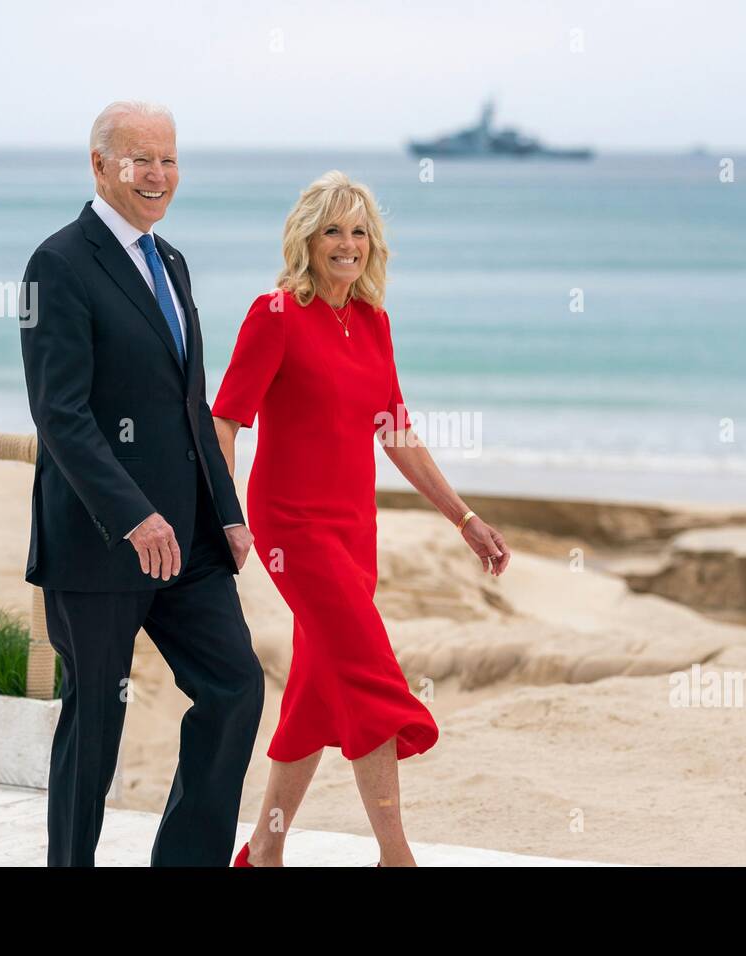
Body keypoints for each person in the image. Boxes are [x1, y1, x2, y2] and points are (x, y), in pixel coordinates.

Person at [211, 170, 511, 867]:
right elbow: (225, 420)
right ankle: (396, 857)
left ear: (372, 243)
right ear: (306, 240)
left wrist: (462, 517)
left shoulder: (374, 323)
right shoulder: (275, 314)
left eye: (358, 230)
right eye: (332, 231)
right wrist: (227, 516)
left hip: (354, 529)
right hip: (292, 527)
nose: (346, 244)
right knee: (372, 677)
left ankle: (262, 853)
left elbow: (395, 430)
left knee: (317, 694)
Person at [18, 100, 262, 866]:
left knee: (235, 690)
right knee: (94, 729)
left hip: (188, 539)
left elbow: (192, 403)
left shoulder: (172, 260)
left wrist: (226, 510)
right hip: (101, 542)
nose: (159, 175)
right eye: (140, 159)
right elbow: (60, 413)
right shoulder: (56, 264)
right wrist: (132, 516)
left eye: (169, 159)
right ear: (100, 165)